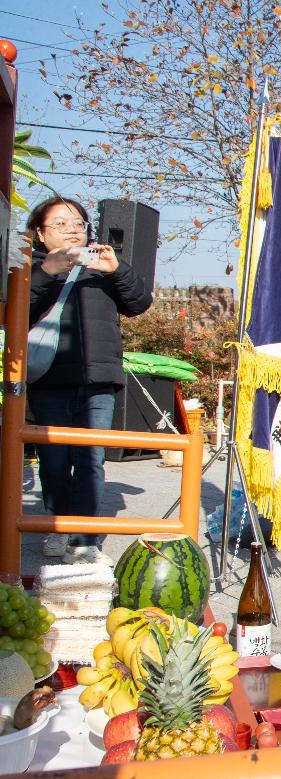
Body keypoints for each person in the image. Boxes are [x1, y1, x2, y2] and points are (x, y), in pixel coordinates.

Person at [25, 196, 153, 565]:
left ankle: (84, 539)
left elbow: (139, 302)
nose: (71, 230)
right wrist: (47, 271)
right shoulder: (31, 268)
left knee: (90, 458)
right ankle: (58, 526)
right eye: (60, 224)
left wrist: (118, 269)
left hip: (99, 378)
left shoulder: (102, 268)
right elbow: (15, 309)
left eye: (78, 224)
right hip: (49, 377)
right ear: (40, 233)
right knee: (52, 459)